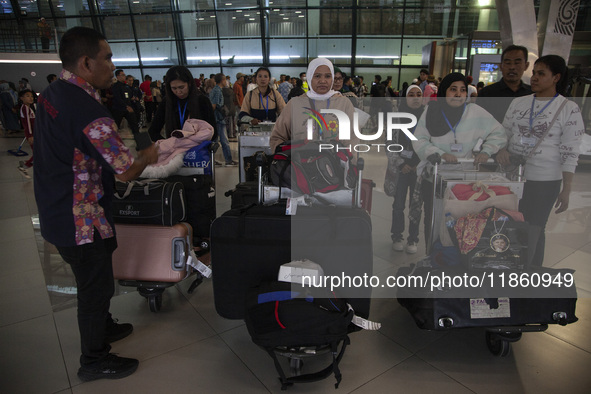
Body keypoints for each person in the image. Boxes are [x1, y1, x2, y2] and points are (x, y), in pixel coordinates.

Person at [33, 26, 158, 382]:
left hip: (59, 208)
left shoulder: (54, 91)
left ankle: (102, 327)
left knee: (95, 276)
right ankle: (94, 360)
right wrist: (148, 155)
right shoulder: (89, 110)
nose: (113, 65)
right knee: (95, 287)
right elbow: (126, 171)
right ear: (86, 62)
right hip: (80, 219)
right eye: (108, 57)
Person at [496, 55, 584, 267]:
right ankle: (509, 269)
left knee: (535, 228)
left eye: (541, 74)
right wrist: (501, 150)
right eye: (534, 73)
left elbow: (570, 151)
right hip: (513, 177)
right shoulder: (519, 103)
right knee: (511, 224)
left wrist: (567, 188)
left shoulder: (568, 109)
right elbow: (503, 135)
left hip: (545, 181)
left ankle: (530, 274)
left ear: (556, 77)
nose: (534, 78)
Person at [412, 72, 507, 245]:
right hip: (434, 176)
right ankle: (433, 256)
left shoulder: (475, 112)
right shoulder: (432, 111)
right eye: (453, 89)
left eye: (463, 90)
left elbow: (499, 133)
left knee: (459, 220)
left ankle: (455, 259)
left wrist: (486, 151)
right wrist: (440, 155)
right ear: (443, 91)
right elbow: (419, 139)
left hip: (463, 180)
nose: (458, 94)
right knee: (433, 220)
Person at [270, 58, 356, 152]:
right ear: (310, 77)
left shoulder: (343, 104)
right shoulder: (295, 104)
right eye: (317, 76)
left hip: (335, 164)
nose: (323, 81)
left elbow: (353, 138)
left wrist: (350, 162)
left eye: (327, 76)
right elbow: (277, 138)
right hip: (300, 164)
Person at [389, 85, 425, 254]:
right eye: (411, 94)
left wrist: (418, 163)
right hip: (401, 168)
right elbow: (389, 143)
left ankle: (413, 238)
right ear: (405, 97)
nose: (415, 98)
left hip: (419, 168)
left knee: (416, 205)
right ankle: (397, 235)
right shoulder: (396, 117)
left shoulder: (427, 117)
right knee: (398, 204)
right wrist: (401, 163)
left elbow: (430, 143)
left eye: (419, 94)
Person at [148, 65, 216, 142]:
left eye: (181, 87)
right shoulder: (166, 102)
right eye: (174, 88)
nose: (178, 92)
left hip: (197, 148)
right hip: (174, 150)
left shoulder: (202, 101)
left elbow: (213, 132)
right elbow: (153, 131)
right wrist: (168, 144)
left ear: (189, 83)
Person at [477, 45, 532, 122]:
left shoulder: (532, 94)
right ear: (501, 66)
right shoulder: (486, 93)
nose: (512, 67)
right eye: (508, 63)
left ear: (526, 66)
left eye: (517, 63)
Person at [209, 73, 235, 165]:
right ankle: (228, 160)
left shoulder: (215, 90)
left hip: (216, 119)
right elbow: (214, 105)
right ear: (222, 80)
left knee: (215, 140)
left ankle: (211, 160)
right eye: (225, 80)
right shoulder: (217, 91)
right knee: (224, 141)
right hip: (218, 119)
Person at [111, 69, 140, 137]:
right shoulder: (115, 86)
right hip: (118, 109)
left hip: (128, 107)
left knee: (134, 125)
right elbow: (118, 98)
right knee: (115, 126)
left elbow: (129, 96)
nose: (124, 76)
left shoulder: (125, 86)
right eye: (123, 75)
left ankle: (140, 143)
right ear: (118, 76)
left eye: (124, 75)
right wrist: (126, 106)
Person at [17, 89, 36, 178]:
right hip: (32, 135)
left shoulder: (29, 108)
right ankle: (24, 166)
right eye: (27, 96)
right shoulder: (25, 108)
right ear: (21, 98)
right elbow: (27, 123)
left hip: (35, 134)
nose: (30, 98)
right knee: (38, 154)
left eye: (31, 96)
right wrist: (30, 135)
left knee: (39, 153)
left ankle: (26, 165)